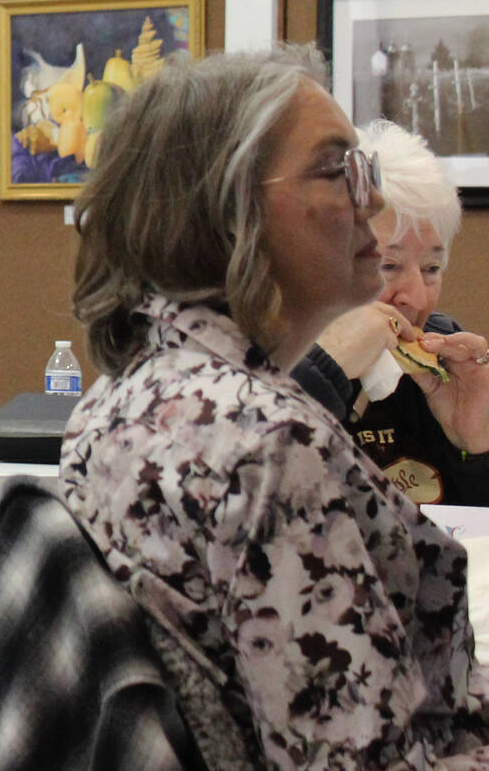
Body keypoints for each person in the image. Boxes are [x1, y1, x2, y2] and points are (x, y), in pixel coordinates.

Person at [61, 46, 489, 769]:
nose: (374, 206)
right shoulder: (266, 446)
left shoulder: (120, 397)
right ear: (225, 209)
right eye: (337, 170)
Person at [294, 118, 489, 505]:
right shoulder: (263, 365)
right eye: (388, 265)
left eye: (432, 268)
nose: (416, 298)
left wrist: (476, 446)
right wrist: (323, 372)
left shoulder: (443, 368)